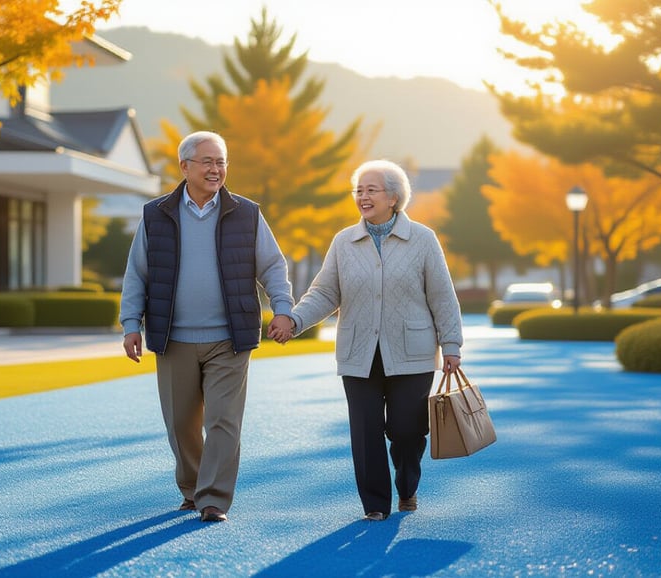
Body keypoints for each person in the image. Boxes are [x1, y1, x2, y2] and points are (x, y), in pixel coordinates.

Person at [271, 159, 463, 522]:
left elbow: (442, 296)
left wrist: (451, 344)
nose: (363, 196)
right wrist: (295, 320)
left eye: (371, 190)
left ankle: (407, 484)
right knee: (365, 431)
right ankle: (375, 504)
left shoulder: (423, 239)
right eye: (358, 190)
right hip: (359, 353)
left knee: (407, 430)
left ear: (393, 197)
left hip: (412, 353)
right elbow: (325, 293)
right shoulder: (344, 242)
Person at [120, 131, 295, 523]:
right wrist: (131, 324)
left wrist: (283, 309)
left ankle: (213, 497)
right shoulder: (156, 215)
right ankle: (193, 486)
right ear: (185, 167)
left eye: (221, 162)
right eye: (208, 162)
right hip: (173, 338)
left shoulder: (247, 213)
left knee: (223, 421)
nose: (216, 169)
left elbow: (272, 266)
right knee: (181, 424)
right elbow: (137, 274)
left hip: (229, 339)